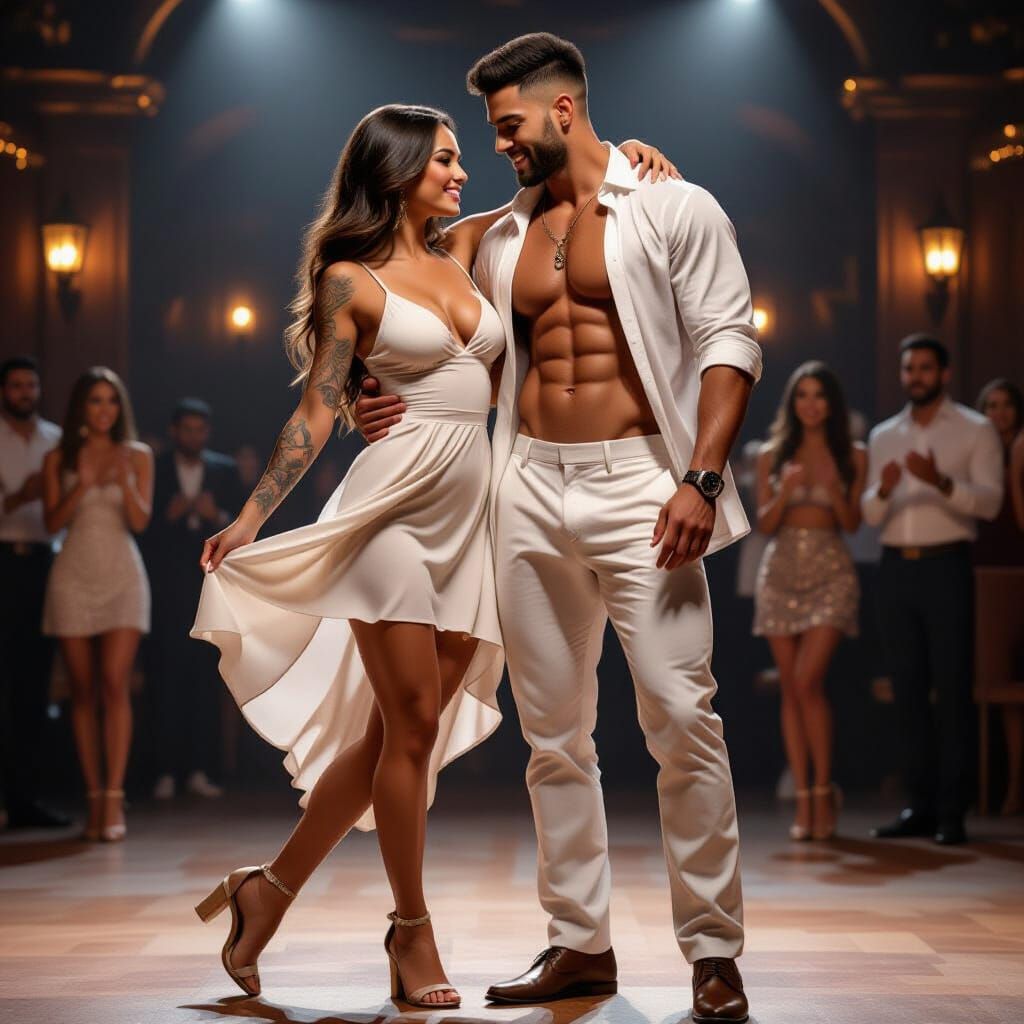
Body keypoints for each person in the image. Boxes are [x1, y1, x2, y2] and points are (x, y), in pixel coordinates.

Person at [190, 103, 677, 1007]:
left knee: (392, 735)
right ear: (396, 171)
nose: (463, 172)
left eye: (461, 158)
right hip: (392, 515)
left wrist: (633, 156)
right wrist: (254, 517)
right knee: (411, 725)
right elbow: (314, 410)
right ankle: (411, 933)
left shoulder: (465, 248)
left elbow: (565, 179)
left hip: (478, 508)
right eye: (445, 161)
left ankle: (267, 892)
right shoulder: (348, 279)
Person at [356, 34, 760, 1023]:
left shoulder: (676, 206)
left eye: (508, 128)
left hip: (641, 485)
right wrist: (378, 398)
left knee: (680, 714)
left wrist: (699, 480)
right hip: (526, 483)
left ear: (563, 111)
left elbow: (727, 340)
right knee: (553, 735)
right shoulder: (495, 237)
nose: (497, 148)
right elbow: (392, 280)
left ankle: (712, 951)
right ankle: (580, 943)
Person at [863, 335, 1003, 845]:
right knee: (907, 692)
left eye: (925, 368)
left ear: (944, 374)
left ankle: (952, 812)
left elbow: (989, 504)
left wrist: (940, 482)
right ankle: (917, 805)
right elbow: (869, 515)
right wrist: (883, 489)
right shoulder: (885, 435)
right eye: (909, 369)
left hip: (947, 566)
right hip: (896, 567)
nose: (915, 376)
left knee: (952, 689)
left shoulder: (975, 429)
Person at [753, 361, 866, 841]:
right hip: (781, 572)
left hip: (830, 570)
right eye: (803, 395)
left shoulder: (853, 454)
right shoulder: (772, 454)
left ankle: (823, 790)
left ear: (831, 404)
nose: (811, 404)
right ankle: (806, 798)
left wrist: (834, 489)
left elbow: (853, 522)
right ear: (793, 403)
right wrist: (787, 492)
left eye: (820, 395)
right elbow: (765, 523)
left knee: (806, 679)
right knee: (794, 690)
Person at [41, 367, 153, 841]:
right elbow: (51, 523)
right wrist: (82, 483)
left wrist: (124, 480)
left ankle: (113, 799)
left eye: (111, 401)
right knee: (82, 691)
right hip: (72, 574)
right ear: (80, 408)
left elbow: (140, 521)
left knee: (114, 684)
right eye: (94, 401)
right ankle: (92, 797)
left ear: (119, 407)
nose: (104, 409)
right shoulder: (57, 457)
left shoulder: (139, 455)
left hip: (122, 574)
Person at [145, 398, 243, 801]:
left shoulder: (225, 469)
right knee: (166, 680)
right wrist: (164, 516)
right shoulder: (156, 468)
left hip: (210, 586)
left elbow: (241, 522)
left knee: (206, 680)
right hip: (166, 587)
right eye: (187, 429)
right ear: (174, 431)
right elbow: (139, 527)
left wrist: (215, 514)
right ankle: (165, 771)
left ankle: (203, 769)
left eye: (200, 429)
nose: (194, 436)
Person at [0, 356, 69, 831]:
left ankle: (26, 800)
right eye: (17, 385)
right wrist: (20, 497)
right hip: (2, 558)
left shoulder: (55, 439)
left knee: (33, 684)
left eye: (32, 384)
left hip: (43, 563)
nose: (26, 392)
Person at [974, 378, 1024, 815]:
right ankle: (992, 787)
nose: (999, 413)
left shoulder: (1020, 451)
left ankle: (1014, 786)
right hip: (981, 569)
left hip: (1016, 567)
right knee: (988, 680)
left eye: (1007, 405)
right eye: (991, 405)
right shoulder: (975, 445)